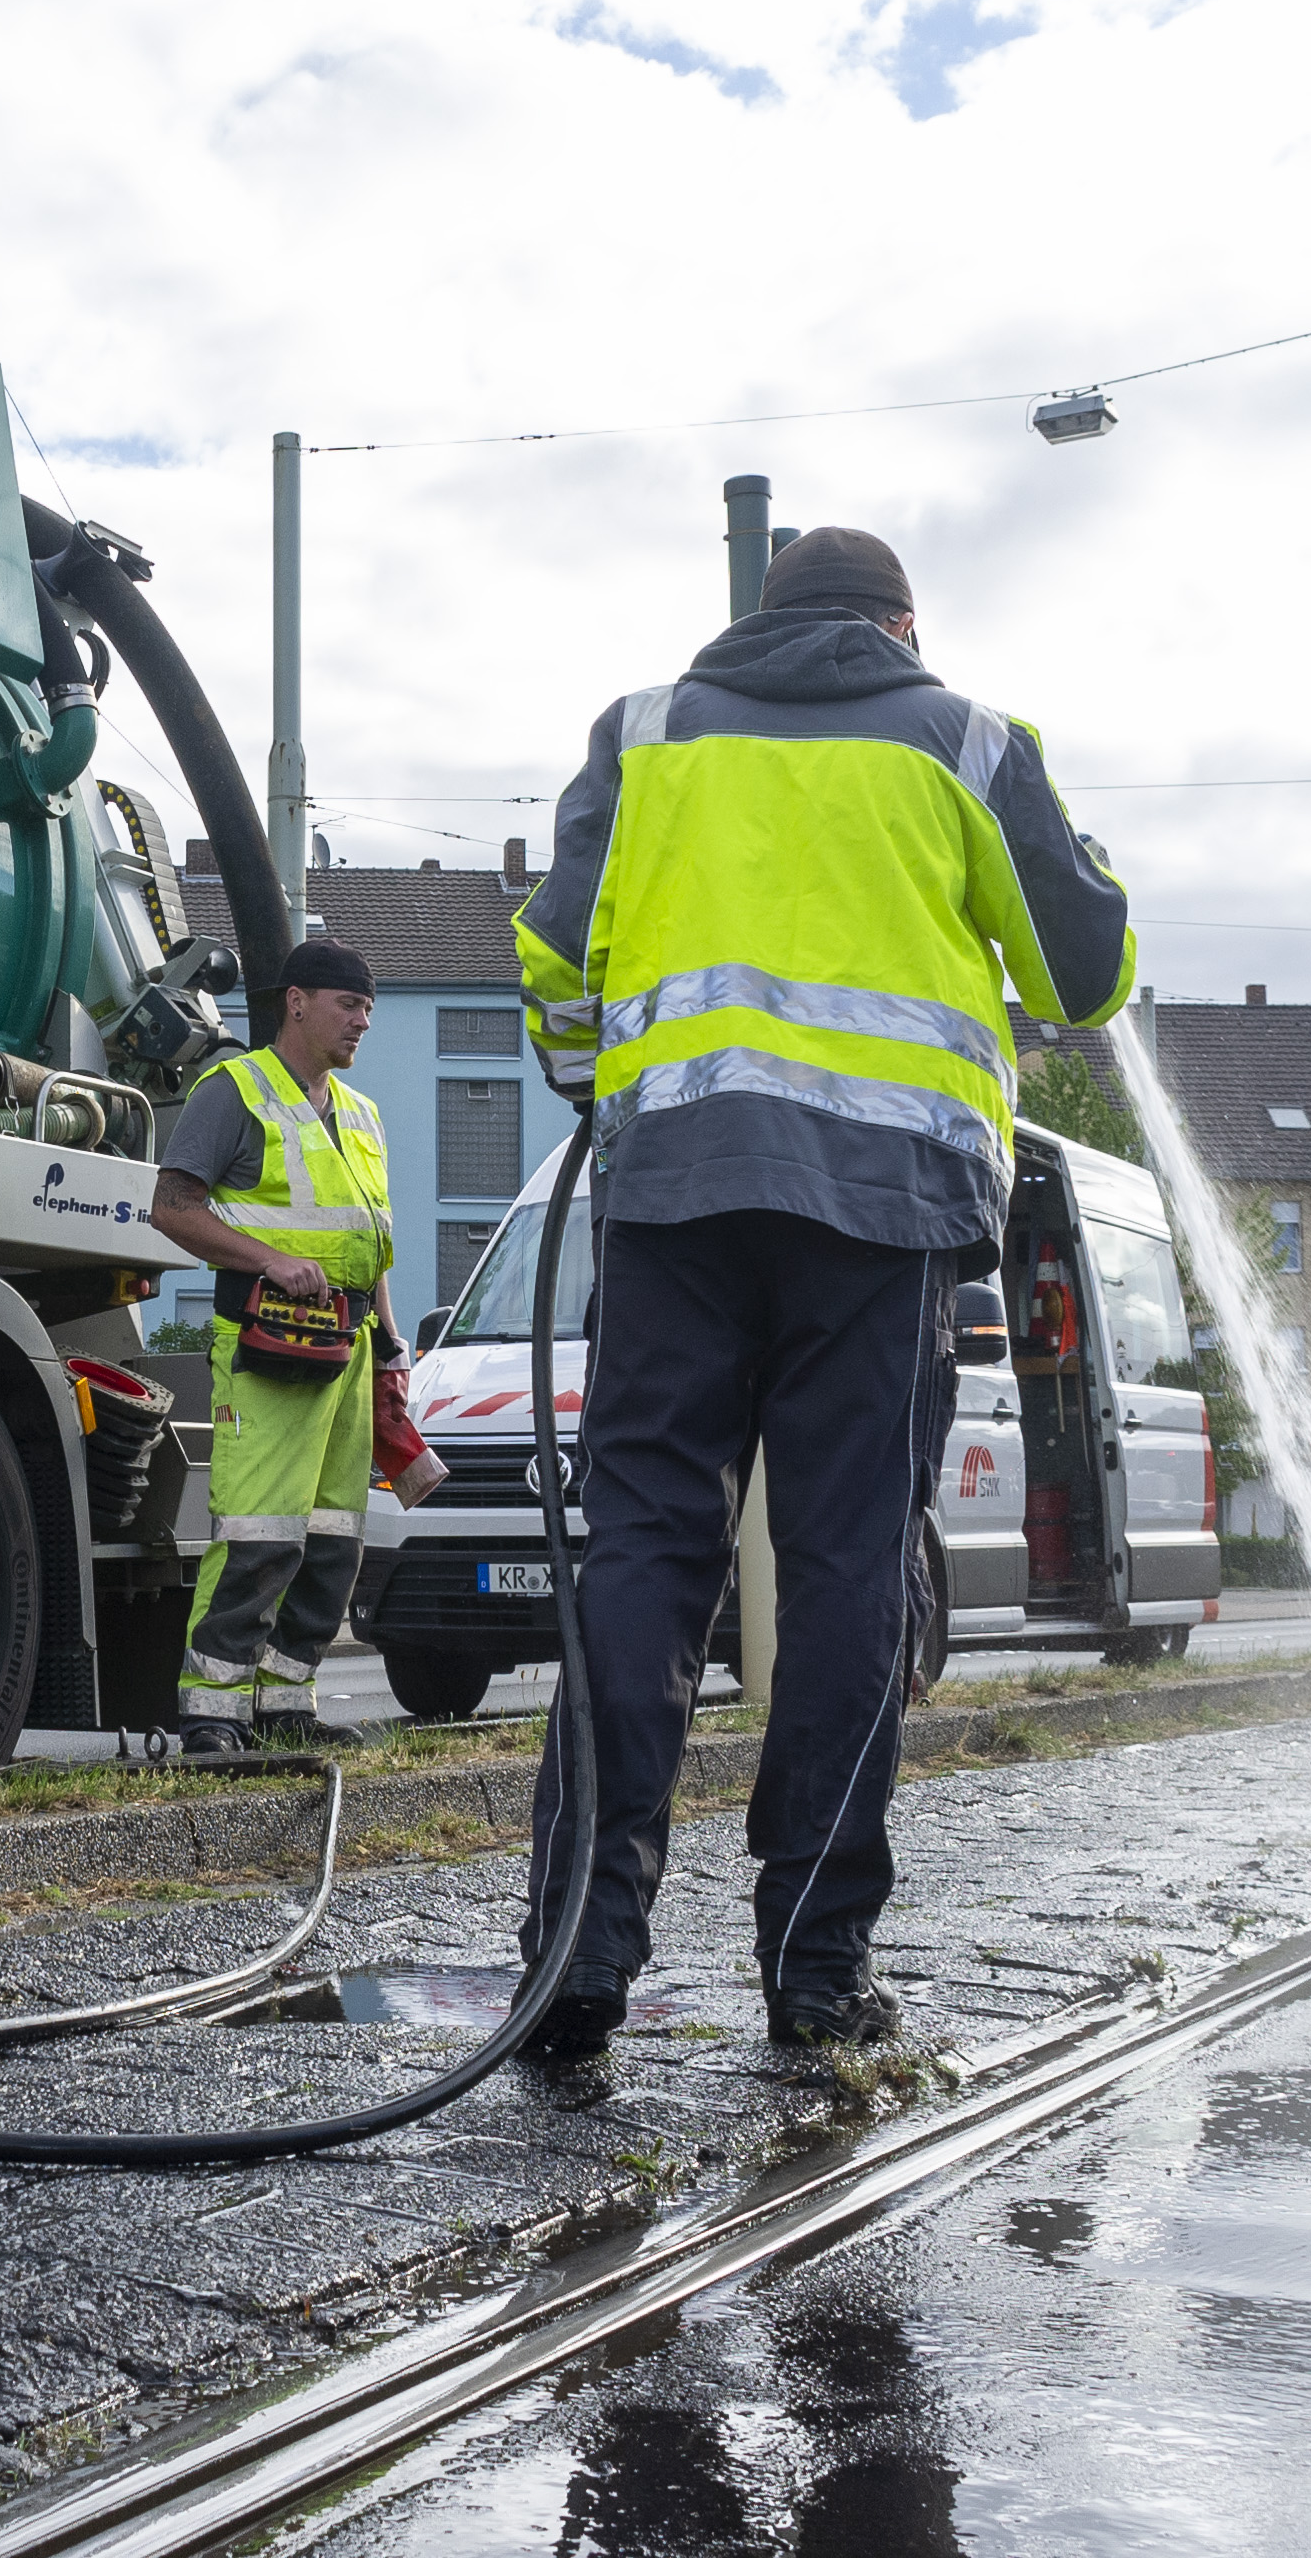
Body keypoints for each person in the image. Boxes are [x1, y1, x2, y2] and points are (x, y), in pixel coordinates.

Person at [509, 526, 1133, 2055]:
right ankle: (814, 1967)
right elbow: (1081, 970)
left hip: (672, 1199)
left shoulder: (643, 732)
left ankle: (578, 1958)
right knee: (849, 1567)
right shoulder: (967, 743)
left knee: (644, 1553)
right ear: (901, 623)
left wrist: (616, 1100)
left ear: (757, 619)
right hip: (887, 1214)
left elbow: (552, 960)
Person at [147, 939, 396, 1752]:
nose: (362, 1021)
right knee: (258, 1534)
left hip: (348, 1350)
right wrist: (272, 1262)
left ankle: (288, 1704)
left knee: (331, 1541)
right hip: (266, 1348)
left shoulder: (361, 1115)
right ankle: (211, 1714)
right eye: (347, 1004)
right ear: (297, 1001)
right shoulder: (236, 1091)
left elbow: (372, 1246)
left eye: (367, 1008)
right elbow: (173, 1208)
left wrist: (391, 1347)